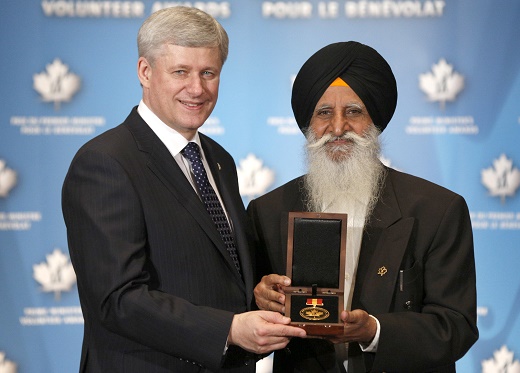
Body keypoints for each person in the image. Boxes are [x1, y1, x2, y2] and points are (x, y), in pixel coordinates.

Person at [61, 6, 305, 373]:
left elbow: (215, 270)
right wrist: (229, 329)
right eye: (181, 72)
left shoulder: (219, 159)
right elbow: (118, 299)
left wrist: (259, 291)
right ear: (145, 72)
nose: (197, 88)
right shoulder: (105, 162)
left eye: (209, 73)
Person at [248, 41, 478, 372]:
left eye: (353, 112)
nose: (338, 128)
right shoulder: (267, 211)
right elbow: (240, 329)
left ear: (375, 121)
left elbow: (456, 328)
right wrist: (260, 300)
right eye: (324, 113)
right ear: (307, 125)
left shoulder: (437, 210)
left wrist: (374, 332)